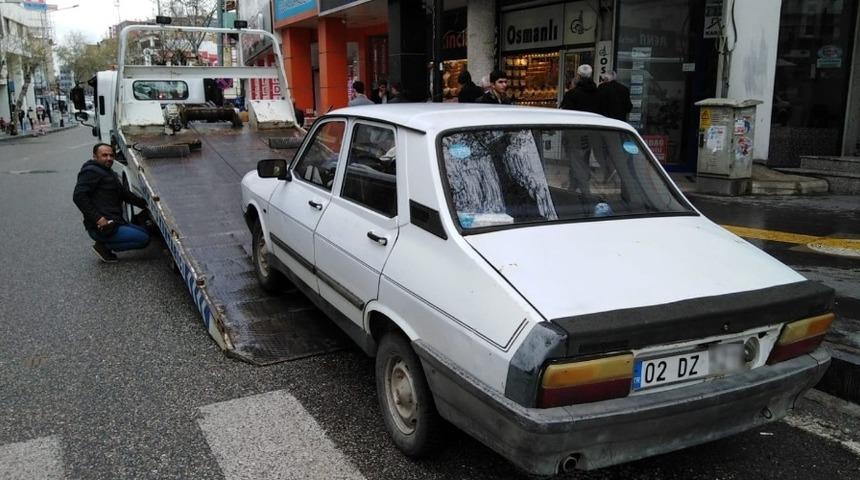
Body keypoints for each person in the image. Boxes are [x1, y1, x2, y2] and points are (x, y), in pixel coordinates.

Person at [73, 143, 151, 262]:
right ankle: (103, 247)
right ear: (95, 157)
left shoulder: (106, 171)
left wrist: (144, 203)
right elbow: (78, 196)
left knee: (144, 232)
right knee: (144, 239)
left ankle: (105, 243)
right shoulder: (91, 172)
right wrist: (98, 218)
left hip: (114, 221)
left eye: (111, 155)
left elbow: (123, 193)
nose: (109, 158)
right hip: (103, 226)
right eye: (104, 155)